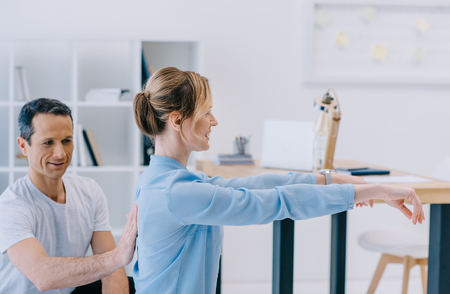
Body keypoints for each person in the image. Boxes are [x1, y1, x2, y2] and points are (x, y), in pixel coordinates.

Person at [132, 67, 425, 294]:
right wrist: (374, 191)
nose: (214, 121)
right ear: (177, 120)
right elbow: (274, 202)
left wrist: (330, 178)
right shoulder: (177, 193)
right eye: (206, 112)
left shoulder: (164, 182)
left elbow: (257, 186)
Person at [0, 98, 138, 294]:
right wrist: (117, 256)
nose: (60, 153)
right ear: (23, 146)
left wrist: (114, 260)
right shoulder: (11, 205)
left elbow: (112, 271)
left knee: (132, 282)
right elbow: (42, 275)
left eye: (67, 141)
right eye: (48, 143)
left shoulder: (89, 191)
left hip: (69, 291)